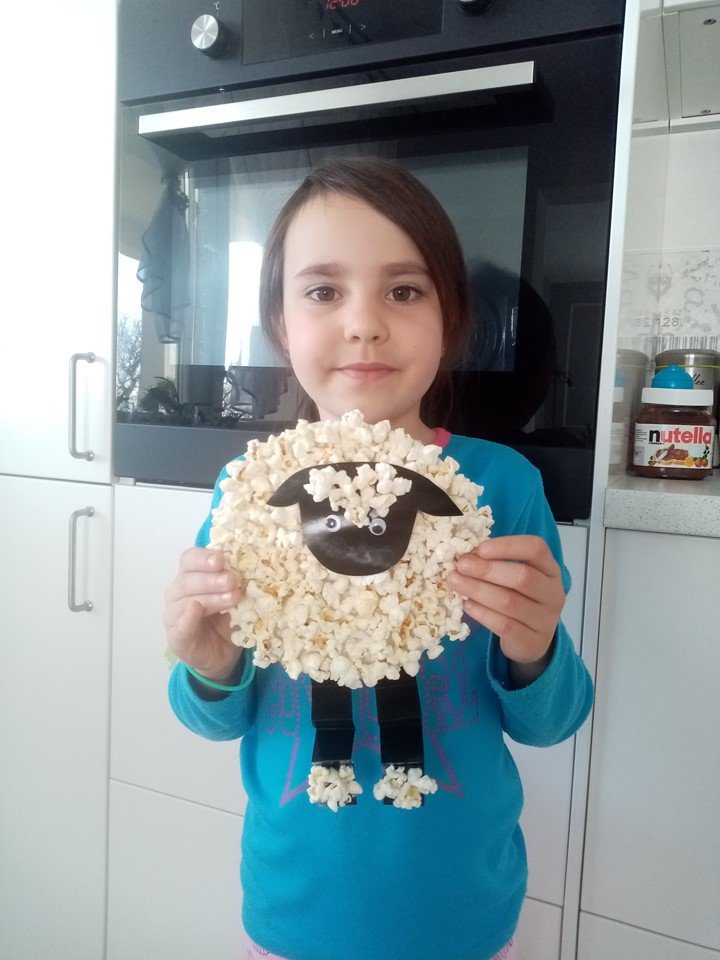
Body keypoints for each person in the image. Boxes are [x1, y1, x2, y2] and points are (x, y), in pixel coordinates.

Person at [164, 157, 594, 960]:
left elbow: (553, 721)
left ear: (451, 319)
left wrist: (536, 649)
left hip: (466, 913)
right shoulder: (247, 494)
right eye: (323, 291)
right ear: (280, 321)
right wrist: (208, 665)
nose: (364, 323)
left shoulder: (499, 487)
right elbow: (210, 718)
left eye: (404, 290)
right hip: (292, 910)